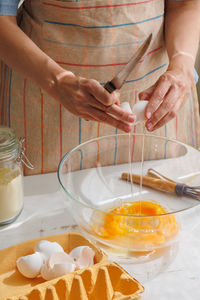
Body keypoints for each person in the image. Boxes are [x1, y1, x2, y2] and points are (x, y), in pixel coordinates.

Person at [0, 0, 199, 175]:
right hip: (46, 97)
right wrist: (56, 81)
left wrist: (183, 65)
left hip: (156, 98)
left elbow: (184, 4)